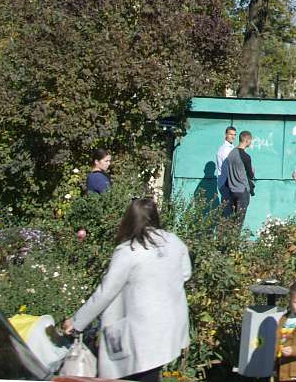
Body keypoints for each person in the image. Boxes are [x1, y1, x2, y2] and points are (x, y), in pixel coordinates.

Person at [63, 198, 191, 382]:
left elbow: (105, 292)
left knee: (137, 373)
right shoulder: (174, 242)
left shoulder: (128, 251)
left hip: (141, 332)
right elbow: (185, 274)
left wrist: (76, 322)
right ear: (155, 217)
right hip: (169, 326)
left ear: (129, 219)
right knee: (151, 373)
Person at [221, 130, 255, 229]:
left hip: (232, 191)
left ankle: (228, 241)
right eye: (250, 140)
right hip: (242, 191)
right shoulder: (245, 156)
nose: (250, 142)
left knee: (232, 219)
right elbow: (251, 175)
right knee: (239, 222)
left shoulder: (231, 154)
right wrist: (253, 171)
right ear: (247, 140)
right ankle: (233, 243)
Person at [215, 125, 236, 203]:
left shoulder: (231, 147)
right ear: (226, 134)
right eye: (231, 134)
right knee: (228, 210)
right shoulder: (225, 149)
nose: (233, 137)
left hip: (228, 182)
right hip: (226, 183)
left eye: (234, 135)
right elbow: (229, 167)